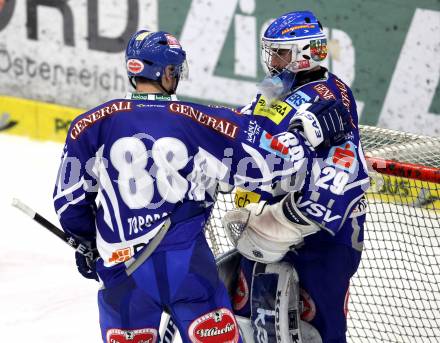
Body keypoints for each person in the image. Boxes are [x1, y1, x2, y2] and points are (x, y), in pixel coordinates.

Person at [53, 29, 352, 343]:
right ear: (167, 72)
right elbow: (266, 164)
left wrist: (87, 243)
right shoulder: (198, 120)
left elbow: (68, 202)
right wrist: (305, 135)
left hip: (121, 271)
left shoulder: (89, 124)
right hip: (187, 268)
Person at [222, 10, 370, 343]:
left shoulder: (332, 98)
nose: (272, 60)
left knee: (317, 330)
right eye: (271, 52)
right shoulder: (276, 87)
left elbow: (340, 174)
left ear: (305, 54)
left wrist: (289, 217)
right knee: (250, 319)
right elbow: (249, 127)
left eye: (280, 52)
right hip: (272, 224)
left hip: (324, 237)